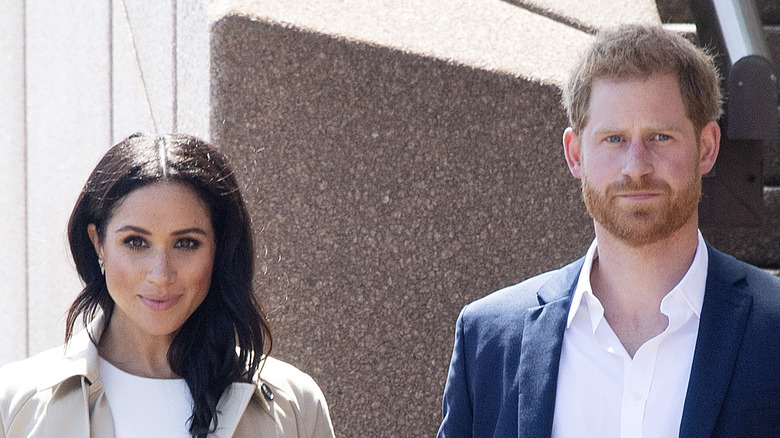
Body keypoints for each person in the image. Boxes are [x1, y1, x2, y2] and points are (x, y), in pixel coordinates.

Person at [438, 24, 780, 437]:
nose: (636, 165)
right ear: (575, 154)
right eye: (614, 138)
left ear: (706, 147)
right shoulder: (489, 338)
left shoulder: (772, 324)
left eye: (661, 136)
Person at [0, 133, 335, 438]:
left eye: (186, 243)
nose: (161, 274)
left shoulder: (295, 405)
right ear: (98, 243)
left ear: (219, 249)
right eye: (135, 242)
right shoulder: (16, 402)